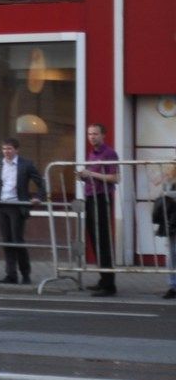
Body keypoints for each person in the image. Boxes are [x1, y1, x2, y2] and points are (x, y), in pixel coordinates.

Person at [0, 137, 44, 285]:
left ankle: (25, 273)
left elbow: (41, 182)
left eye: (9, 149)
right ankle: (11, 274)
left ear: (16, 150)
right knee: (7, 241)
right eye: (4, 149)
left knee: (17, 241)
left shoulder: (26, 164)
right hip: (2, 206)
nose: (6, 152)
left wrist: (38, 197)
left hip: (17, 206)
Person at [78, 123, 120, 295]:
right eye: (89, 134)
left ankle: (109, 284)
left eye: (95, 134)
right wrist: (83, 176)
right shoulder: (92, 154)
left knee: (103, 241)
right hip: (90, 197)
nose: (92, 137)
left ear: (103, 135)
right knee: (94, 240)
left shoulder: (109, 153)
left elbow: (115, 178)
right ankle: (103, 279)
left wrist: (91, 174)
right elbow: (92, 176)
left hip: (102, 198)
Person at [152, 163, 176, 299]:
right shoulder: (171, 173)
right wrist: (164, 177)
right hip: (172, 218)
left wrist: (167, 193)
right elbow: (159, 186)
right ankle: (173, 286)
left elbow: (167, 193)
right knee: (172, 253)